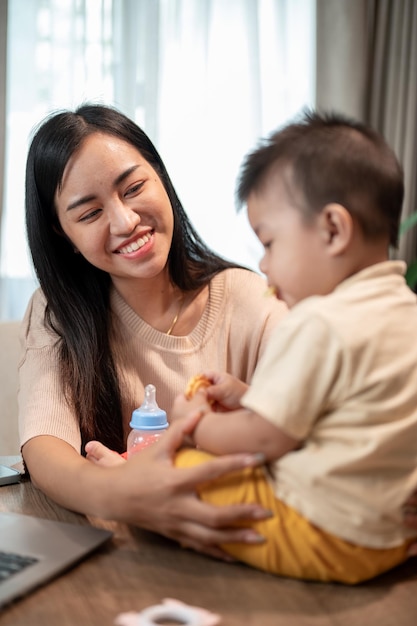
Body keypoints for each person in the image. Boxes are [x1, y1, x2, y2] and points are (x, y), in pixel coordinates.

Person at [19, 103, 288, 558]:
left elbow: (311, 429)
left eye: (135, 187)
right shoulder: (57, 311)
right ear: (61, 232)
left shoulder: (250, 300)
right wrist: (125, 495)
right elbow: (45, 445)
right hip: (119, 561)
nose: (125, 222)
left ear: (160, 176)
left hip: (242, 552)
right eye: (88, 214)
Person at [168, 110, 417, 583]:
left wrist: (192, 424)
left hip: (322, 533)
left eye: (269, 242)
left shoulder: (318, 321)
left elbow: (266, 439)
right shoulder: (405, 313)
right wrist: (248, 398)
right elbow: (342, 411)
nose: (263, 265)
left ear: (332, 230)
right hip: (392, 536)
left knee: (174, 465)